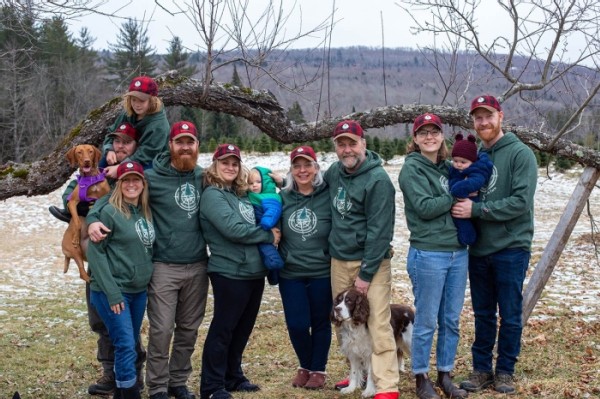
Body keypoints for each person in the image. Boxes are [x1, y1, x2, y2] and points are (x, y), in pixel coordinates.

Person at [89, 121, 208, 399]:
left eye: (190, 141)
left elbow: (237, 182)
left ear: (197, 146)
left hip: (198, 265)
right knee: (162, 329)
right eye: (179, 141)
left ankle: (178, 381)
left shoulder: (204, 177)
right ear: (170, 145)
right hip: (164, 266)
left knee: (188, 330)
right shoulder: (150, 178)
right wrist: (93, 218)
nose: (185, 147)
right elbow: (112, 197)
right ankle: (157, 386)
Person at [452, 95, 538, 395]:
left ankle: (505, 371)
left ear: (501, 116)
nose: (483, 122)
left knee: (510, 313)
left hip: (511, 248)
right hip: (479, 249)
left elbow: (520, 202)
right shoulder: (475, 155)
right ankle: (481, 370)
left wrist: (476, 211)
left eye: (488, 116)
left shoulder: (520, 154)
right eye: (477, 117)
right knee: (483, 313)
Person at [199, 144, 281, 399]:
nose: (230, 167)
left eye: (235, 163)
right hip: (229, 271)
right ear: (215, 165)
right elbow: (233, 229)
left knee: (242, 328)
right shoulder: (213, 195)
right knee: (223, 328)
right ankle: (212, 386)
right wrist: (268, 235)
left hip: (253, 271)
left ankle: (232, 376)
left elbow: (267, 197)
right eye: (225, 162)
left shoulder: (240, 194)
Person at [325, 120, 399, 399]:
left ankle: (386, 384)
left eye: (352, 143)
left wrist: (366, 275)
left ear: (363, 144)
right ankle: (356, 374)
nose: (347, 150)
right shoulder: (334, 172)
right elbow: (311, 186)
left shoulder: (378, 181)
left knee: (377, 322)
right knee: (343, 319)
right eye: (341, 144)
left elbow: (380, 232)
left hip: (371, 261)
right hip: (339, 260)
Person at [398, 113, 469, 399]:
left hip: (458, 253)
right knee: (427, 320)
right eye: (423, 133)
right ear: (414, 139)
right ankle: (421, 377)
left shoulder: (448, 168)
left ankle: (445, 373)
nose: (430, 137)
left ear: (442, 137)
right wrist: (456, 193)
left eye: (435, 132)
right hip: (428, 253)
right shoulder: (411, 170)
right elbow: (426, 208)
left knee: (451, 319)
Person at [50, 75, 169, 222]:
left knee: (129, 183)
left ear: (152, 99)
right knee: (92, 171)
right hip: (125, 154)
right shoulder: (128, 113)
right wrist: (109, 150)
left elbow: (147, 152)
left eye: (142, 100)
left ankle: (105, 212)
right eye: (134, 100)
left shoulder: (159, 124)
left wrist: (120, 168)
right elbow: (111, 133)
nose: (137, 104)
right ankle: (70, 207)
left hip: (150, 161)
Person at [87, 161, 155, 399]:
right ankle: (129, 393)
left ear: (143, 183)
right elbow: (95, 254)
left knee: (130, 344)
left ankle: (122, 391)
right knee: (126, 345)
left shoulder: (146, 211)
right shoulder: (109, 212)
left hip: (138, 292)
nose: (131, 184)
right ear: (118, 184)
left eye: (136, 179)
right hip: (113, 292)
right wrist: (113, 293)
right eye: (125, 179)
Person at [276, 145, 332, 390]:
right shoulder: (283, 197)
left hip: (322, 270)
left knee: (320, 321)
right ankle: (305, 364)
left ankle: (317, 369)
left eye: (307, 165)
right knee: (297, 324)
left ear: (316, 168)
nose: (302, 170)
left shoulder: (327, 194)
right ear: (291, 171)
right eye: (297, 166)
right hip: (292, 271)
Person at [448, 132, 494, 246]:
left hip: (472, 204)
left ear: (472, 161)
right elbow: (452, 181)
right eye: (455, 161)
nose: (458, 164)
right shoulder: (455, 170)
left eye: (463, 162)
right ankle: (466, 238)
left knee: (466, 222)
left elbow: (476, 182)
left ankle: (468, 238)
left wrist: (460, 187)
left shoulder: (477, 171)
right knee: (459, 218)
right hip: (459, 205)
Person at [247, 166, 284, 283]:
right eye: (250, 183)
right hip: (256, 230)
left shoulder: (270, 196)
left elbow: (273, 210)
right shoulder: (251, 195)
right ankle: (273, 277)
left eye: (258, 182)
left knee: (269, 254)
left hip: (266, 229)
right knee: (263, 255)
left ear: (266, 182)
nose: (254, 185)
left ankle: (275, 269)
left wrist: (266, 223)